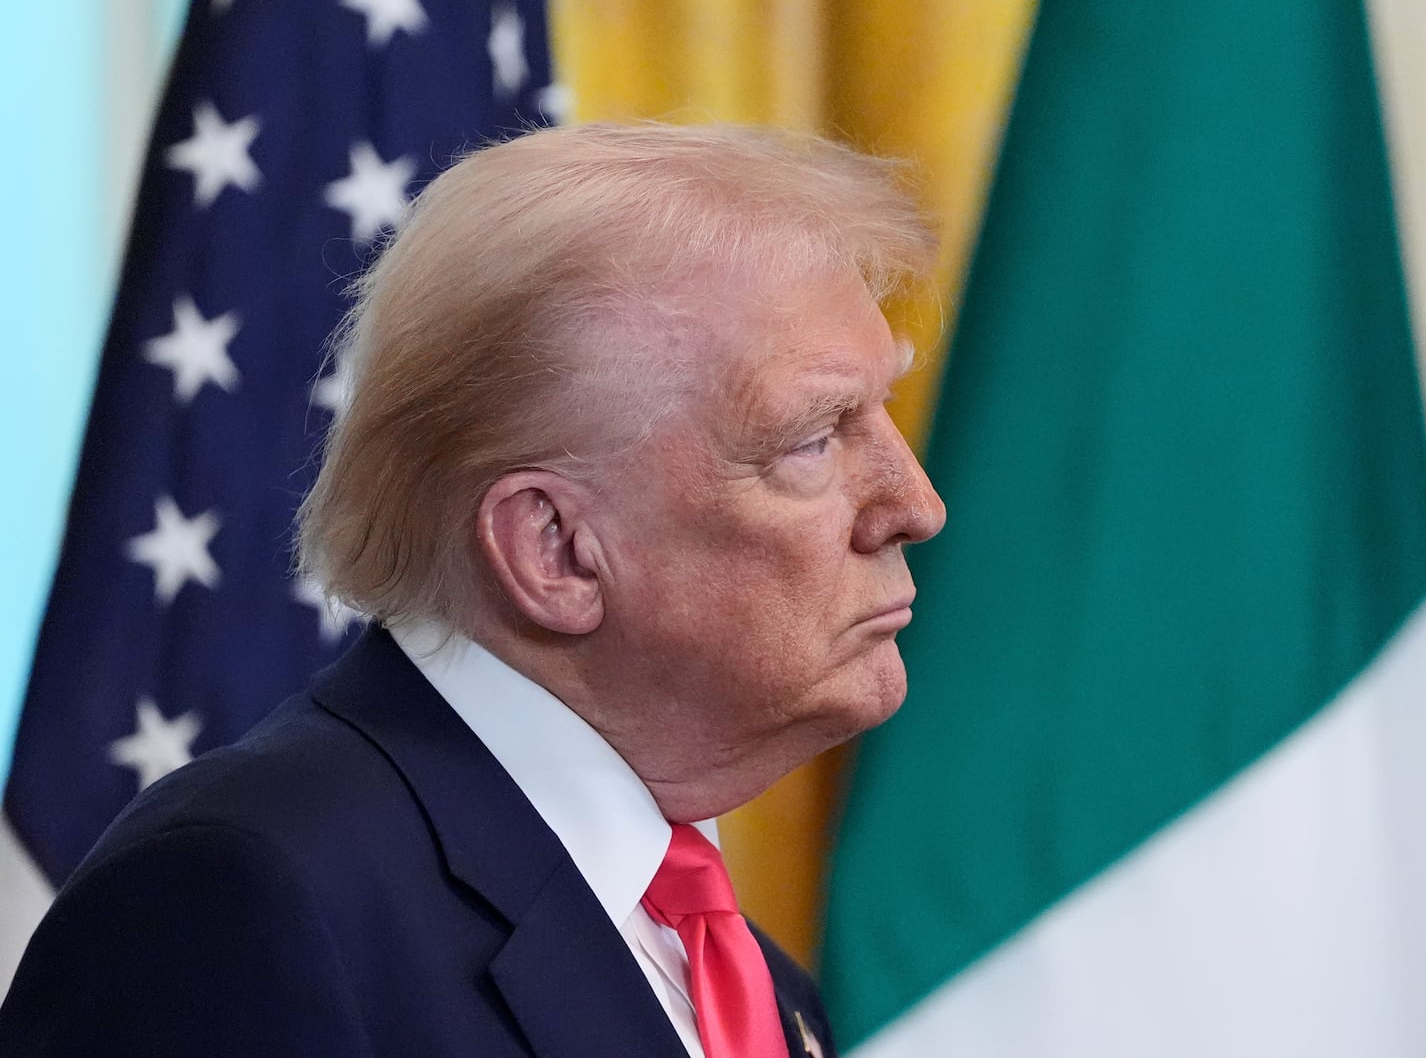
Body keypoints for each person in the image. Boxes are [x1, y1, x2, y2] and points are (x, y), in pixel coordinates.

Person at [0, 123, 945, 1057]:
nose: (916, 506)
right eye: (815, 439)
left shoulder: (755, 987)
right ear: (555, 550)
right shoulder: (233, 907)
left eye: (882, 416)